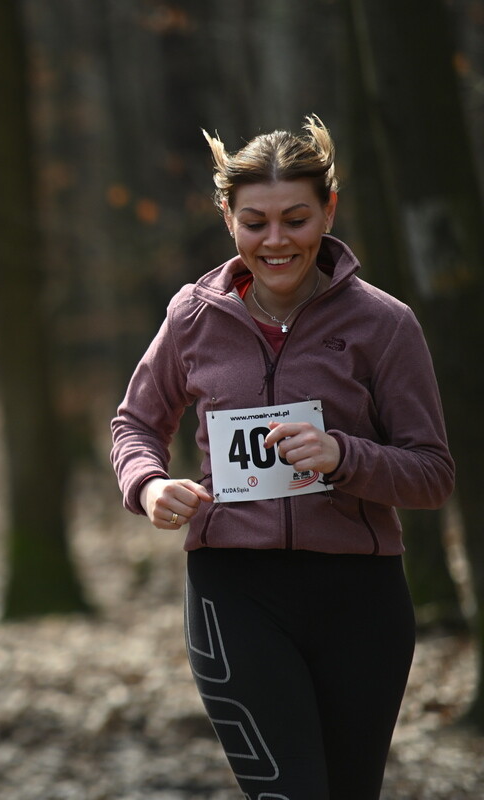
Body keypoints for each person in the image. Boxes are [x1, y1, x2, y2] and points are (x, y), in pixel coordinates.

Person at [110, 116, 454, 799]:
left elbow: (432, 474)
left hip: (362, 600)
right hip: (235, 593)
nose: (275, 241)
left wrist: (341, 455)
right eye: (254, 222)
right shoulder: (192, 315)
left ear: (328, 211)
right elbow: (135, 424)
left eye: (295, 219)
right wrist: (148, 487)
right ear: (228, 219)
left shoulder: (384, 325)